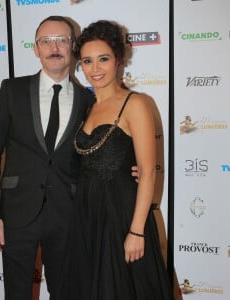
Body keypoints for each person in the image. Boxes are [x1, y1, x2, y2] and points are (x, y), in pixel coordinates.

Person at [0, 15, 139, 300]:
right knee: (15, 293)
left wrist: (131, 169)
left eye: (62, 40)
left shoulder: (89, 101)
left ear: (73, 47)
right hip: (15, 214)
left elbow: (101, 151)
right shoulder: (11, 91)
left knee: (66, 292)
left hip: (69, 214)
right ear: (36, 48)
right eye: (46, 41)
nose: (54, 47)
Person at [56, 20, 173, 299]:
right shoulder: (85, 107)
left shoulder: (136, 104)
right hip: (85, 217)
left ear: (119, 59)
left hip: (122, 215)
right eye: (87, 61)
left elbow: (146, 172)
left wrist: (136, 231)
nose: (95, 69)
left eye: (103, 59)